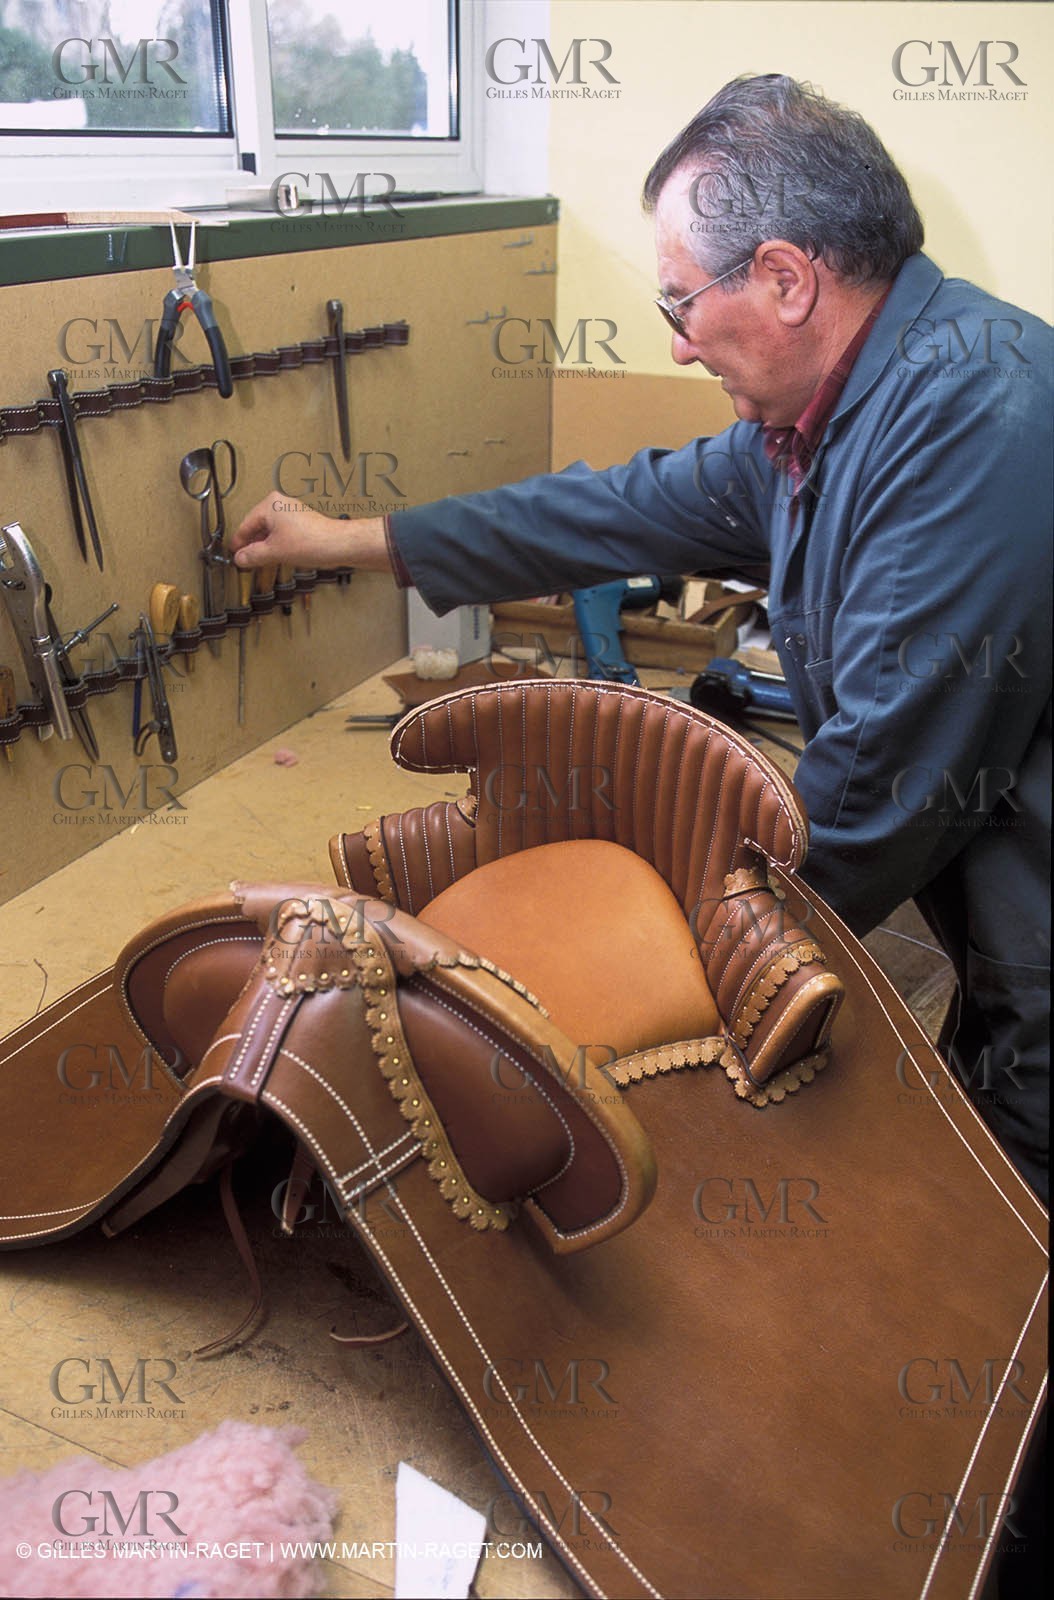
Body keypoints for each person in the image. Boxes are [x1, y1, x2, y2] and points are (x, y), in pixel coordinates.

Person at [232, 74, 1051, 1210]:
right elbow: (599, 512)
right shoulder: (831, 416)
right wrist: (349, 537)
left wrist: (617, 973)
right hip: (1003, 891)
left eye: (677, 305)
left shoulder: (974, 418)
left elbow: (877, 795)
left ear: (783, 278)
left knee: (996, 1243)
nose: (675, 348)